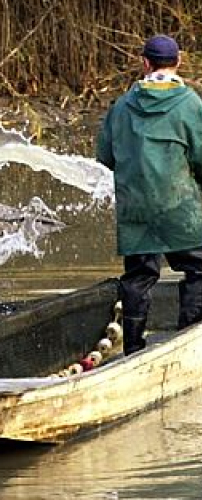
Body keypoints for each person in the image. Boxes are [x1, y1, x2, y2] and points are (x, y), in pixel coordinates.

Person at [96, 34, 202, 355]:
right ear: (179, 62)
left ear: (144, 63)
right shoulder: (190, 104)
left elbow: (104, 158)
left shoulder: (121, 106)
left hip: (135, 209)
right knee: (198, 269)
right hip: (179, 207)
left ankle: (133, 349)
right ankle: (188, 343)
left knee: (139, 275)